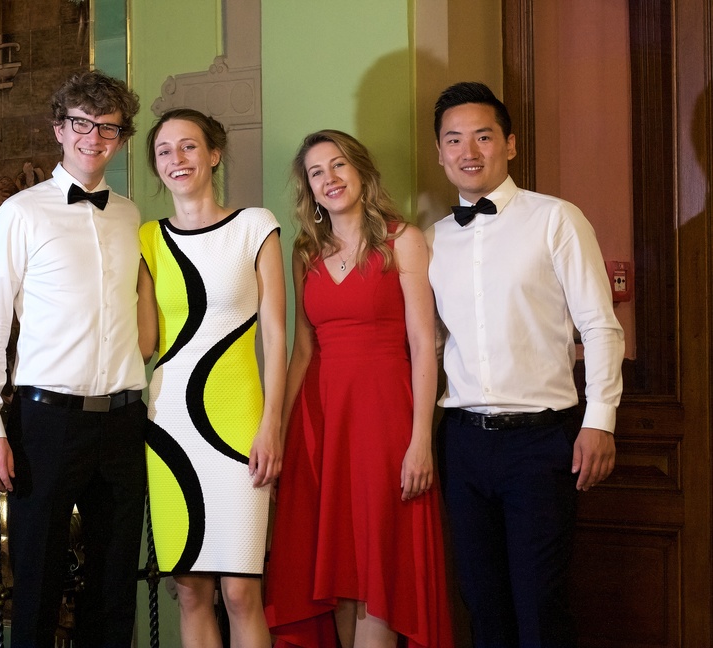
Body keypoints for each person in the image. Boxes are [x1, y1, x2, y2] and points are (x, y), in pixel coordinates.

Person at [425, 81, 624, 648]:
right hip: (461, 442)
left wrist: (600, 421)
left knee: (541, 605)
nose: (468, 151)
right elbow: (429, 346)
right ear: (439, 153)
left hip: (541, 442)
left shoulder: (556, 219)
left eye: (483, 136)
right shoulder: (432, 241)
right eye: (454, 139)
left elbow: (600, 326)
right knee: (481, 604)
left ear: (509, 144)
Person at [0, 69, 146, 648]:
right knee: (37, 588)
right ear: (59, 130)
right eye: (81, 124)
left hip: (123, 421)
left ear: (121, 139)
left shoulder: (131, 216)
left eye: (108, 128)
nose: (94, 138)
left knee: (114, 591)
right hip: (46, 422)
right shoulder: (20, 213)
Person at [264, 130, 454, 648]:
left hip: (384, 419)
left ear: (361, 171)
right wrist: (281, 435)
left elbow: (423, 344)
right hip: (320, 422)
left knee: (379, 562)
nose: (329, 178)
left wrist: (421, 440)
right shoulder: (305, 252)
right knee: (337, 570)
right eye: (316, 172)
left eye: (338, 165)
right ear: (309, 188)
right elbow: (303, 351)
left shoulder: (402, 240)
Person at [138, 108, 285, 647]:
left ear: (214, 154)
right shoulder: (148, 239)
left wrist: (272, 425)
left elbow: (277, 336)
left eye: (189, 146)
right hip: (169, 426)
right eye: (164, 151)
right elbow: (145, 342)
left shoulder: (255, 226)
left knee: (242, 593)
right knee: (191, 592)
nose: (176, 159)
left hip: (239, 424)